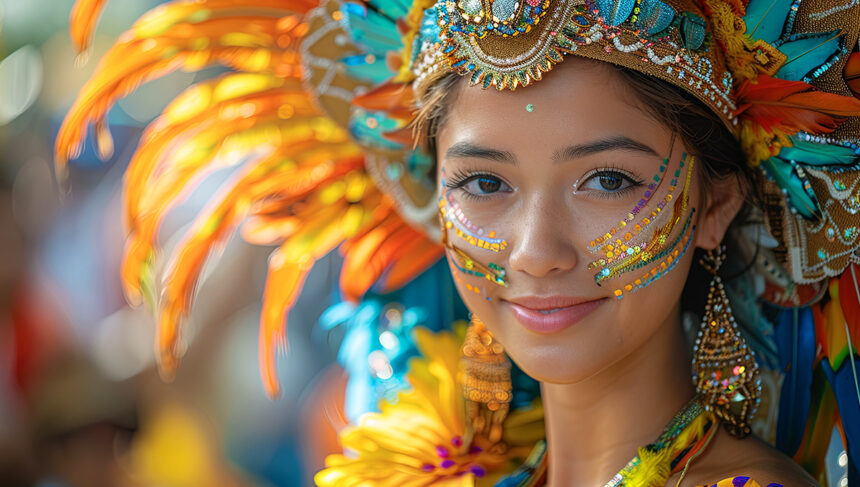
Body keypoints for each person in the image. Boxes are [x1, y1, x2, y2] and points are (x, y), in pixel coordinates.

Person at [56, 0, 860, 485]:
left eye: (606, 179)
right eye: (485, 183)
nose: (535, 250)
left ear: (715, 203)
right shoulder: (416, 461)